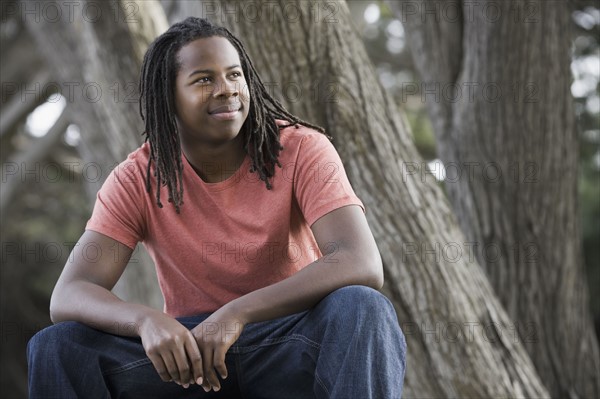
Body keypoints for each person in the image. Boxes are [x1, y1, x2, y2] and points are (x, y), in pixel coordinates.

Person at [27, 17, 406, 398]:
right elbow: (71, 292)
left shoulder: (302, 149)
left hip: (288, 339)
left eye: (234, 75)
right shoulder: (137, 178)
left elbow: (360, 261)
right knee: (58, 345)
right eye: (204, 79)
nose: (227, 90)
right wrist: (144, 320)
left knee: (363, 308)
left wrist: (236, 313)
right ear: (169, 95)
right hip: (190, 357)